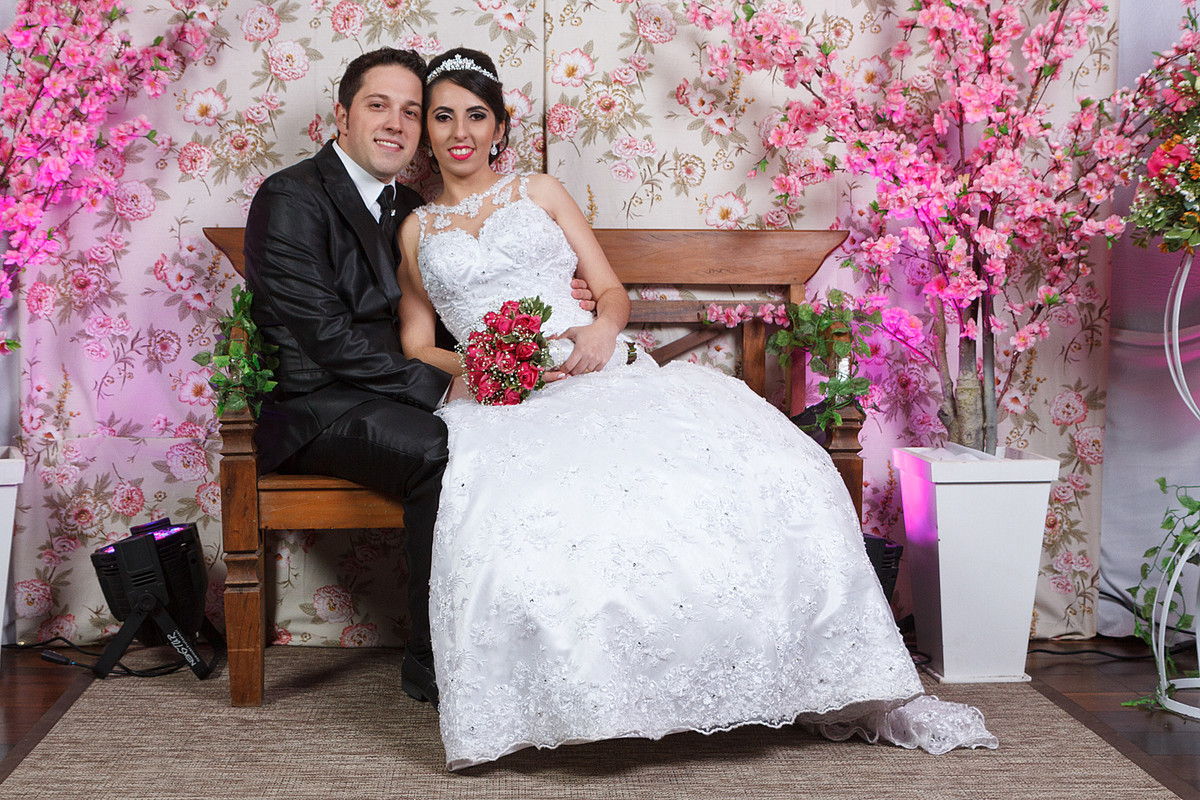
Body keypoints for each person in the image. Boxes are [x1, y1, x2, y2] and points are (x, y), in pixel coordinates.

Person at [397, 48, 997, 770]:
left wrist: (596, 332)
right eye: (443, 116)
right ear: (426, 131)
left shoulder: (541, 191)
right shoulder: (417, 232)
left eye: (475, 115)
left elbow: (611, 293)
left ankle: (754, 674)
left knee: (759, 468)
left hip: (592, 368)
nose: (459, 131)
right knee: (533, 506)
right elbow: (416, 342)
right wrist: (477, 364)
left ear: (498, 128)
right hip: (498, 397)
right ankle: (579, 698)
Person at [242, 48, 594, 709]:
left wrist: (552, 301)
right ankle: (433, 662)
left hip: (392, 391)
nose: (397, 124)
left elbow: (447, 308)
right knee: (450, 451)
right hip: (320, 406)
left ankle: (544, 644)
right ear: (341, 114)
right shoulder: (291, 197)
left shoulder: (408, 205)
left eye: (410, 111)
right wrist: (441, 386)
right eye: (379, 106)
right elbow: (325, 338)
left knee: (529, 438)